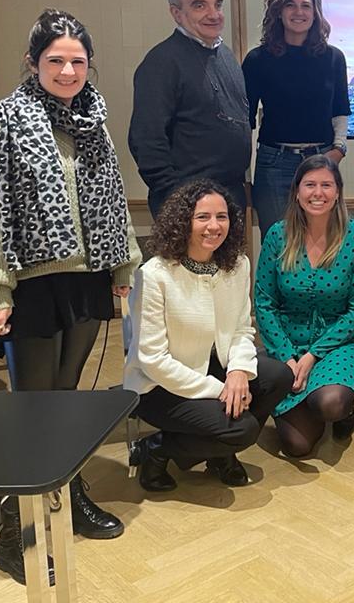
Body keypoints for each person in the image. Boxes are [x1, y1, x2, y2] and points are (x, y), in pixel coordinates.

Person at [0, 9, 141, 586]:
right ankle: (13, 537)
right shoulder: (7, 121)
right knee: (33, 409)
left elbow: (113, 194)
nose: (68, 71)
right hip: (32, 285)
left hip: (86, 278)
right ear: (33, 62)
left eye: (77, 61)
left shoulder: (93, 118)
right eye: (55, 60)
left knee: (65, 402)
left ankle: (70, 494)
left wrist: (122, 264)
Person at [124, 179, 293, 491]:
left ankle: (217, 452)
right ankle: (156, 450)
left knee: (279, 376)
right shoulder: (155, 275)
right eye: (203, 217)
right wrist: (220, 389)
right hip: (160, 385)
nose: (214, 226)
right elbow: (153, 359)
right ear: (182, 221)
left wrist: (239, 371)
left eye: (222, 216)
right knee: (243, 429)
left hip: (216, 367)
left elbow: (241, 329)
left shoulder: (237, 265)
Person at [254, 155, 354, 457]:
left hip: (341, 342)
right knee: (297, 446)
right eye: (310, 185)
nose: (317, 193)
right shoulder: (277, 235)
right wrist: (287, 357)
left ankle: (341, 406)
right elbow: (264, 303)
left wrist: (311, 357)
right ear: (297, 192)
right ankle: (306, 400)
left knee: (330, 403)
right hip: (288, 341)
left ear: (337, 193)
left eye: (326, 185)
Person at [130, 0, 252, 216]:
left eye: (218, 5)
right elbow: (146, 140)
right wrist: (177, 198)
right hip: (187, 205)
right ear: (176, 13)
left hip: (229, 198)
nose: (214, 14)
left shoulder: (226, 56)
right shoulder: (162, 62)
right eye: (199, 6)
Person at [242, 0, 350, 240]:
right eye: (290, 5)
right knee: (278, 243)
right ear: (278, 11)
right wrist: (243, 176)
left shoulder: (334, 58)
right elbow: (244, 122)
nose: (298, 12)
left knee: (320, 242)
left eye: (305, 5)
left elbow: (340, 110)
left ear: (315, 13)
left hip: (321, 159)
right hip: (274, 164)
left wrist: (337, 151)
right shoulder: (257, 60)